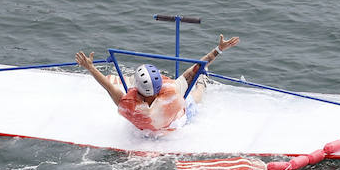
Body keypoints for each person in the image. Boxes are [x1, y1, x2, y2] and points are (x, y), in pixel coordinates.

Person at [75, 34, 239, 133]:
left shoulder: (129, 105)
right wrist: (218, 49)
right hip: (177, 119)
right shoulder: (172, 92)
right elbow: (196, 68)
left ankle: (202, 82)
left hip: (152, 126)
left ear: (137, 89)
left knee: (194, 96)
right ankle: (202, 82)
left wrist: (90, 67)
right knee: (193, 97)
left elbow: (108, 86)